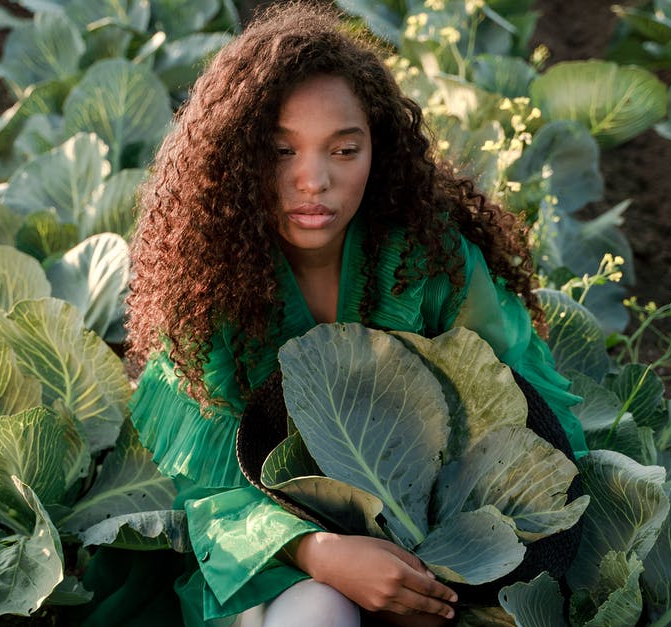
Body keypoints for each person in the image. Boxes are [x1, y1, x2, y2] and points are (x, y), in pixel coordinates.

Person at [124, 3, 588, 625]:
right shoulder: (211, 288)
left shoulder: (432, 263)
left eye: (344, 150)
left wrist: (444, 567)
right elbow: (213, 496)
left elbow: (528, 423)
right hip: (279, 559)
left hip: (443, 553)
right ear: (234, 161)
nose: (313, 180)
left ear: (380, 150)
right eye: (280, 151)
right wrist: (324, 554)